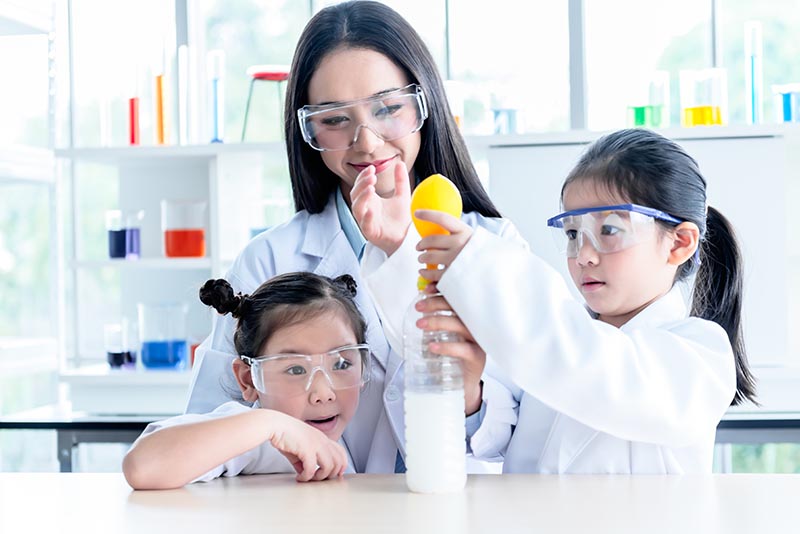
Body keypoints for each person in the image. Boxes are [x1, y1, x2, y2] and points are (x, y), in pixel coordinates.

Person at [186, 1, 525, 474]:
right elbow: (205, 433)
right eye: (334, 119)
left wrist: (468, 395)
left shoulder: (493, 244)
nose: (366, 142)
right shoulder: (269, 260)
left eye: (388, 108)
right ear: (305, 129)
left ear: (423, 107)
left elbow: (526, 438)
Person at [405, 128, 757, 473]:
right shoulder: (560, 343)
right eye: (573, 233)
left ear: (679, 243)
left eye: (610, 230)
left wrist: (483, 268)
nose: (584, 255)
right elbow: (508, 440)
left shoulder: (699, 356)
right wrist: (472, 396)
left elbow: (594, 372)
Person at [123, 272, 368, 490]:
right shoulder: (256, 437)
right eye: (295, 369)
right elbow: (142, 466)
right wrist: (269, 424)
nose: (323, 393)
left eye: (341, 364)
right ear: (248, 379)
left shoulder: (345, 438)